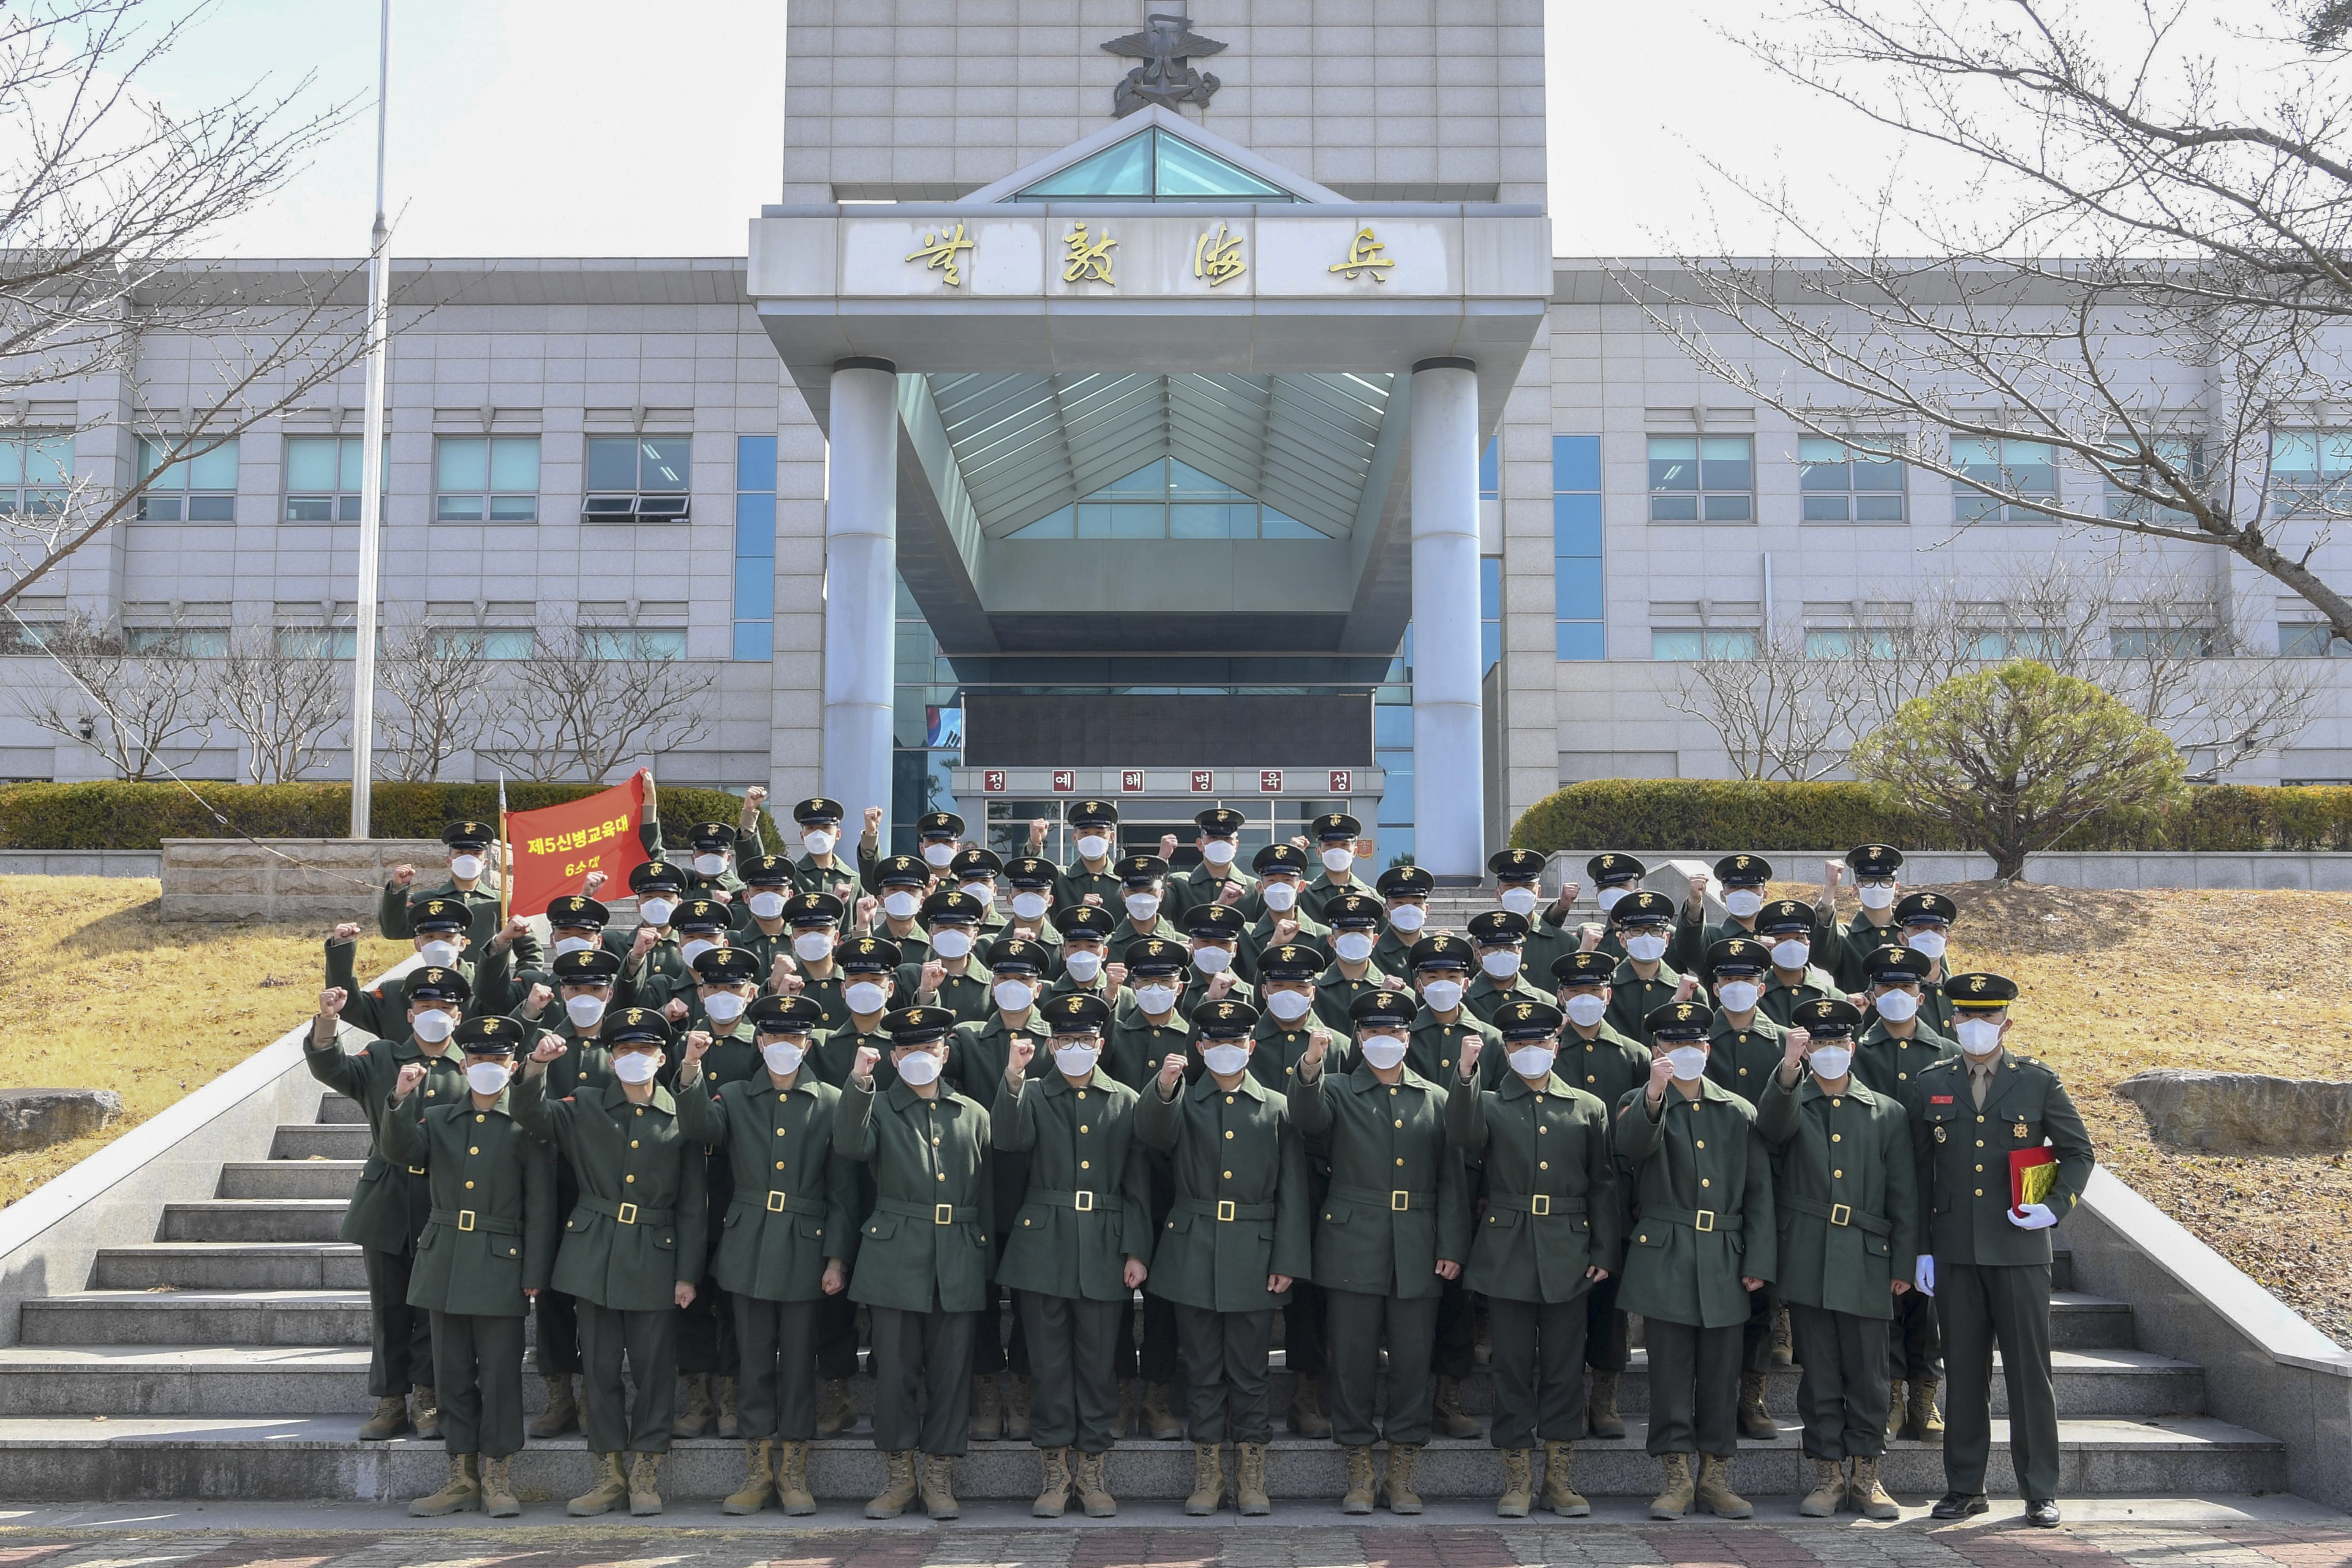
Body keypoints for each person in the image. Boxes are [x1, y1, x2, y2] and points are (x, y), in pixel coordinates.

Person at [1914, 972, 2096, 1530]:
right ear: (1952, 1022)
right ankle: (1965, 1486)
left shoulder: (2037, 1082)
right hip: (1956, 1253)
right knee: (1964, 1372)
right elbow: (1919, 1173)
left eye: (1988, 1017)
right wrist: (1922, 1249)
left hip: (2019, 1250)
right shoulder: (1931, 1083)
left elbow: (2077, 1151)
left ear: (2006, 1023)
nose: (1977, 1027)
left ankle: (2039, 1489)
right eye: (1967, 1017)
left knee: (2028, 1374)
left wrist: (2056, 1206)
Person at [515, 1006, 708, 1518]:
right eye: (623, 1050)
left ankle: (645, 1471)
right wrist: (534, 1066)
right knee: (598, 1369)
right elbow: (531, 1114)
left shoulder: (680, 1116)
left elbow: (693, 1204)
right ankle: (608, 1475)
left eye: (644, 1050)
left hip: (655, 1256)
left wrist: (687, 1272)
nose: (634, 1059)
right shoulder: (585, 1106)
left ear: (661, 1056)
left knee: (654, 1370)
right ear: (610, 1055)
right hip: (594, 1253)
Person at [672, 994, 856, 1517]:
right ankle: (757, 1471)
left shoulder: (832, 1100)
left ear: (808, 1043)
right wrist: (689, 1068)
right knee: (752, 1361)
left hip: (805, 1245)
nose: (784, 1046)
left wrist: (837, 1258)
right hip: (748, 1242)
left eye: (794, 1038)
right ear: (759, 1041)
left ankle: (794, 1471)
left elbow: (844, 1191)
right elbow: (698, 1128)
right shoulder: (732, 1095)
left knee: (799, 1362)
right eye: (774, 1037)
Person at [1290, 989, 1470, 1515]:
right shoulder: (1339, 1089)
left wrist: (1452, 1244)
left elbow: (1452, 1180)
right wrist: (1311, 1064)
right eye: (1373, 1033)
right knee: (1350, 1361)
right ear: (1360, 1039)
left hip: (1418, 1245)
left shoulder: (1436, 1097)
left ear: (1408, 1038)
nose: (1384, 1041)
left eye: (1394, 1032)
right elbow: (1307, 1116)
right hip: (1353, 1243)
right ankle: (1360, 1473)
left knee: (1414, 1362)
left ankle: (1402, 1474)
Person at [1137, 998, 1312, 1518]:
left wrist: (1287, 1259)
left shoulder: (1277, 1106)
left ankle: (1252, 1472)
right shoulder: (1185, 1100)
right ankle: (1208, 1473)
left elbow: (1293, 1193)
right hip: (1193, 1249)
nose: (1226, 1051)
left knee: (1250, 1370)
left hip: (1255, 1252)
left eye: (1235, 1043)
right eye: (1215, 1043)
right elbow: (1152, 1134)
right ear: (1199, 1048)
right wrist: (1165, 1087)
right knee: (1205, 1369)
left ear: (1251, 1047)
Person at [1447, 999, 1619, 1518]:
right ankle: (1518, 1479)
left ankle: (1559, 1479)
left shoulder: (1588, 1106)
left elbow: (1603, 1182)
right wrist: (1465, 1074)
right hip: (1508, 1249)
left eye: (1540, 1042)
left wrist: (1605, 1249)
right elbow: (1462, 1134)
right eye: (1519, 1044)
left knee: (1566, 1368)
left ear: (1556, 1045)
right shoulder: (1492, 1103)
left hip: (1569, 1249)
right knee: (1513, 1367)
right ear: (1506, 1048)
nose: (1531, 1052)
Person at [379, 1015, 553, 1519]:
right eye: (478, 1060)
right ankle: (461, 1476)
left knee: (499, 1374)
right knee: (451, 1372)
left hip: (501, 1263)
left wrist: (534, 1274)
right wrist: (400, 1098)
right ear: (464, 1063)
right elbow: (400, 1150)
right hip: (446, 1261)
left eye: (498, 1061)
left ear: (513, 1066)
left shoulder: (525, 1126)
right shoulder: (437, 1118)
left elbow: (540, 1206)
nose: (487, 1068)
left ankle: (498, 1475)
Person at [991, 991, 1156, 1518]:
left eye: (1085, 1039)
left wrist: (1136, 1249)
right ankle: (1055, 1472)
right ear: (1051, 1044)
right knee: (1050, 1363)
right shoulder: (1034, 1093)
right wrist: (1014, 1077)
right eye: (1065, 1040)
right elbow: (1010, 1140)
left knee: (1098, 1362)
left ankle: (1093, 1470)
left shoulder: (1126, 1099)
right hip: (1044, 1244)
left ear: (1101, 1043)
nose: (1076, 1047)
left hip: (1106, 1244)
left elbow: (1137, 1184)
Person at [1614, 999, 1775, 1522]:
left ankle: (1715, 1477)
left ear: (1707, 1049)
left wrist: (1759, 1258)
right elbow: (1632, 1148)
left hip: (1725, 1258)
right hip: (1666, 1256)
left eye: (1693, 1045)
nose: (1684, 1053)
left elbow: (1758, 1193)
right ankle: (1675, 1477)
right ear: (1655, 1052)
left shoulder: (1738, 1110)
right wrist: (1654, 1093)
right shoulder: (1638, 1102)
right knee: (1669, 1374)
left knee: (1721, 1373)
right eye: (1671, 1046)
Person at [1758, 998, 1918, 1520]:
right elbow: (1770, 1130)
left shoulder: (1886, 1111)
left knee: (1870, 1375)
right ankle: (1828, 1476)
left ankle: (1868, 1478)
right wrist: (1788, 1067)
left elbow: (1904, 1195)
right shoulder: (1792, 1100)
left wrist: (1903, 1263)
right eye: (1819, 1045)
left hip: (1869, 1258)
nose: (1830, 1052)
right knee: (1820, 1374)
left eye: (1838, 1043)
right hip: (1807, 1253)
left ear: (1853, 1047)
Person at [836, 1004, 994, 1522]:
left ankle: (940, 1474)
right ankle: (900, 1474)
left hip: (958, 1253)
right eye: (908, 1050)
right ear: (894, 1056)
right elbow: (851, 1146)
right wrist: (860, 1083)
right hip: (895, 1253)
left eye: (928, 1049)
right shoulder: (879, 1107)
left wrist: (984, 1256)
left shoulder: (972, 1112)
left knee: (951, 1372)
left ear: (945, 1054)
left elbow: (988, 1193)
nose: (919, 1058)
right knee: (895, 1371)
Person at [306, 969, 473, 1444]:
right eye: (424, 1008)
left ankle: (428, 1395)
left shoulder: (474, 1066)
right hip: (387, 1201)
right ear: (409, 1014)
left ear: (459, 1015)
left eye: (444, 1009)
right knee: (389, 1306)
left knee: (432, 1308)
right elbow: (332, 1068)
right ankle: (389, 1400)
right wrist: (327, 1023)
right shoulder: (383, 1055)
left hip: (445, 1201)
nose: (434, 1016)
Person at [950, 936, 1055, 1443]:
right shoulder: (968, 1037)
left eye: (1026, 979)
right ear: (992, 984)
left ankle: (1028, 1385)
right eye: (1006, 978)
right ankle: (988, 1387)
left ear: (1040, 985)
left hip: (1039, 1185)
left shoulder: (1058, 1039)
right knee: (982, 1296)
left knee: (1035, 1296)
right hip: (981, 1185)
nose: (1015, 987)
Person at [1546, 948, 1650, 1439]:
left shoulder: (1634, 1055)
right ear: (1561, 996)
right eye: (1576, 991)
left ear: (1609, 995)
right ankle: (1563, 1394)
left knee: (1610, 1305)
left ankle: (1605, 1396)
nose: (1585, 998)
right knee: (1561, 1297)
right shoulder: (1546, 1050)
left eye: (1595, 990)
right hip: (1558, 1194)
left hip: (1617, 1195)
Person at [1854, 942, 1955, 1440]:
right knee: (1882, 1299)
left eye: (1907, 986)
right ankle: (1891, 1394)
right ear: (1872, 994)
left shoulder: (1948, 1054)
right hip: (1870, 1196)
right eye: (1888, 986)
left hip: (1933, 1194)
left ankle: (1925, 1395)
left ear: (1922, 994)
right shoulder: (1852, 1051)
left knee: (1928, 1301)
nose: (1898, 994)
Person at [806, 935, 902, 1437]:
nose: (866, 988)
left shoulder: (906, 1042)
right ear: (844, 990)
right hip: (839, 1179)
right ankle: (838, 1390)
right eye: (857, 980)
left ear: (892, 986)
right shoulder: (825, 1045)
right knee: (834, 1293)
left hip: (897, 1182)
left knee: (893, 1293)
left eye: (876, 980)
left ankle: (891, 1380)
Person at [1102, 935, 1195, 1440]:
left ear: (1180, 986)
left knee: (1164, 1297)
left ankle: (1158, 1396)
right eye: (1146, 981)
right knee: (1117, 1288)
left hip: (1174, 1180)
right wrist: (1113, 998)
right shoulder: (1116, 1025)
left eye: (1165, 981)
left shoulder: (1194, 1031)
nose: (1155, 989)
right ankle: (1120, 1393)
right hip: (1116, 1175)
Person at [1701, 934, 1794, 1440]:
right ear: (1716, 987)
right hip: (1705, 1186)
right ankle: (1710, 1394)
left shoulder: (1785, 1042)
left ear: (1763, 986)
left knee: (1763, 1295)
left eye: (1748, 979)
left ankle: (1752, 1396)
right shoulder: (1696, 1037)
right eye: (1729, 979)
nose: (1738, 987)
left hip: (1770, 1186)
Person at [1245, 939, 1339, 1439]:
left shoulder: (1336, 1045)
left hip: (1318, 1186)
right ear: (1263, 990)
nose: (1289, 994)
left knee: (1312, 1296)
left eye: (1299, 986)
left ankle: (1307, 1395)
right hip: (1252, 1187)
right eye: (1279, 986)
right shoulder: (1241, 1039)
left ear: (1313, 992)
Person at [671, 947, 766, 1440]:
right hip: (690, 1180)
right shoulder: (684, 1046)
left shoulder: (762, 1047)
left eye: (734, 988)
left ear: (751, 993)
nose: (724, 997)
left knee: (734, 1296)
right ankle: (698, 1393)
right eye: (714, 988)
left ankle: (732, 1391)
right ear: (701, 992)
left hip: (740, 1183)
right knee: (689, 1292)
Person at [327, 899, 521, 1039]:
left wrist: (502, 943)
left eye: (447, 937)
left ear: (462, 943)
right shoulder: (394, 995)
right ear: (418, 944)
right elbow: (348, 1005)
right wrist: (342, 948)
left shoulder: (485, 992)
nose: (439, 944)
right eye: (430, 938)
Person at [378, 820, 535, 962]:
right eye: (460, 853)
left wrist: (522, 982)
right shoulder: (427, 900)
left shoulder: (502, 902)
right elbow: (394, 931)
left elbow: (530, 951)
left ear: (485, 863)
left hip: (489, 988)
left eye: (476, 854)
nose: (468, 859)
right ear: (449, 861)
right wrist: (397, 888)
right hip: (442, 988)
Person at [1604, 892, 1685, 1045]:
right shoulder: (1604, 990)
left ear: (1666, 939)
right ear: (1622, 939)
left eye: (1655, 930)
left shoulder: (1688, 991)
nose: (1647, 938)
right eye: (1637, 931)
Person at [1312, 894, 1397, 1030]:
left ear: (1375, 940)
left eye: (1363, 931)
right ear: (1332, 940)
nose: (1355, 937)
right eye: (1346, 931)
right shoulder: (1312, 990)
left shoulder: (1395, 992)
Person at [1753, 899, 1841, 1028]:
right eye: (1781, 939)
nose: (1791, 945)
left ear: (1808, 945)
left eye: (1799, 938)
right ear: (1769, 945)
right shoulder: (1755, 994)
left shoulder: (1828, 994)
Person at [1166, 808, 1256, 925]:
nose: (1221, 843)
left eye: (1227, 839)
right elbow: (1159, 913)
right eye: (1214, 838)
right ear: (1200, 844)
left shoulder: (1253, 889)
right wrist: (1161, 861)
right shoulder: (1180, 884)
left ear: (1236, 845)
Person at [1465, 910, 1554, 1024]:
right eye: (1494, 948)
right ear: (1478, 955)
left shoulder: (1546, 1003)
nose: (1502, 953)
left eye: (1510, 948)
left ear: (1520, 952)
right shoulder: (1464, 1001)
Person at [1894, 893, 1962, 1035]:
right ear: (1902, 938)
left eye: (1937, 929)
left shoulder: (1961, 994)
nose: (1929, 936)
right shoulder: (1893, 992)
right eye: (1919, 929)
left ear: (1947, 940)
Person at [1298, 811, 1377, 923]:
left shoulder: (1372, 897)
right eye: (1329, 845)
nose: (1337, 851)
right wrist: (1294, 856)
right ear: (1319, 852)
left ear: (1355, 852)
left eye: (1344, 845)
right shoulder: (1304, 895)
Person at [1053, 800, 1125, 916]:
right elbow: (1032, 881)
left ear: (1111, 837)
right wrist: (1035, 846)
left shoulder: (1125, 881)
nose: (1092, 838)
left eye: (1099, 833)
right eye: (1085, 833)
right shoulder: (1060, 880)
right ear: (1075, 837)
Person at [1372, 862, 1433, 978]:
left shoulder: (1436, 951)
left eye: (1416, 903)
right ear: (1386, 910)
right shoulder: (1372, 953)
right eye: (1400, 903)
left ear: (1427, 910)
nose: (1409, 909)